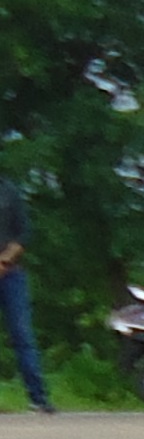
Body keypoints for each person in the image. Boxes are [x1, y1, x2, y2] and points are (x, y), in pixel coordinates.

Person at [0, 164, 51, 415]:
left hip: (11, 274)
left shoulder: (9, 190)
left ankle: (38, 399)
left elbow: (23, 233)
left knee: (22, 335)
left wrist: (4, 261)